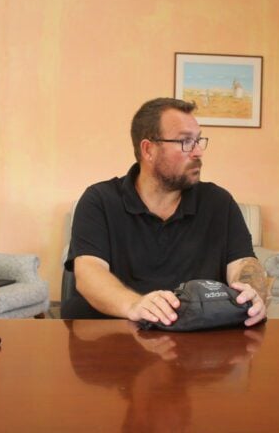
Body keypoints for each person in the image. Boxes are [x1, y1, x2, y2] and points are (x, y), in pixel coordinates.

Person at [62, 97, 267, 326]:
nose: (198, 151)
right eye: (186, 142)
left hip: (199, 346)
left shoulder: (219, 202)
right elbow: (89, 273)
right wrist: (135, 305)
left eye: (198, 141)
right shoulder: (99, 200)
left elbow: (243, 263)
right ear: (148, 149)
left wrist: (253, 293)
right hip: (117, 337)